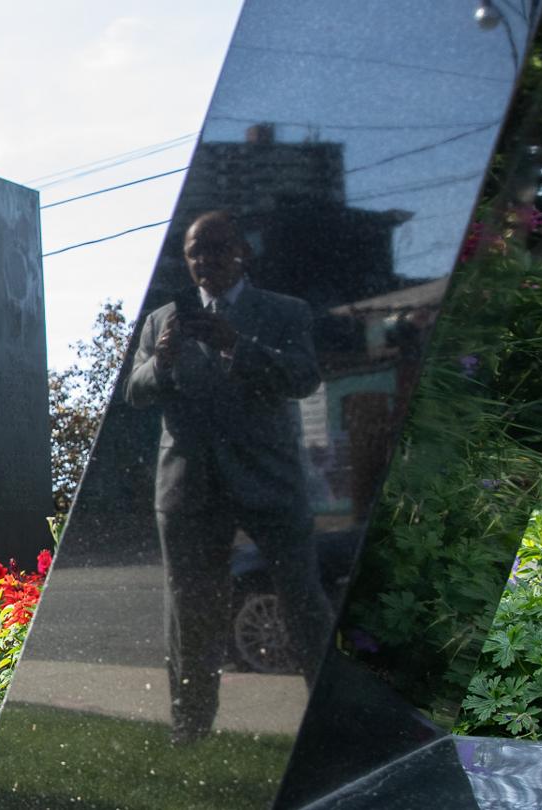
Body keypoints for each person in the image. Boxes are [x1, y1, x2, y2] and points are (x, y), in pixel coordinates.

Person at [123, 210, 330, 743]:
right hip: (188, 486)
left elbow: (304, 377)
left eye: (216, 248)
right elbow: (134, 391)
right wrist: (162, 361)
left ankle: (333, 718)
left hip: (269, 480)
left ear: (243, 251)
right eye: (195, 251)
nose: (205, 260)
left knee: (304, 601)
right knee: (190, 612)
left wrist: (236, 343)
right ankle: (190, 727)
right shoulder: (162, 320)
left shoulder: (284, 311)